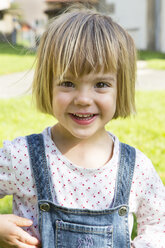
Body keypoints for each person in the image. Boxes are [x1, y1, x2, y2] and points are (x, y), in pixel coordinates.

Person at [0, 5, 164, 248]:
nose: (84, 99)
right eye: (68, 83)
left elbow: (159, 224)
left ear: (121, 89)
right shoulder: (21, 156)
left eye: (101, 84)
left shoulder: (136, 168)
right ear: (48, 85)